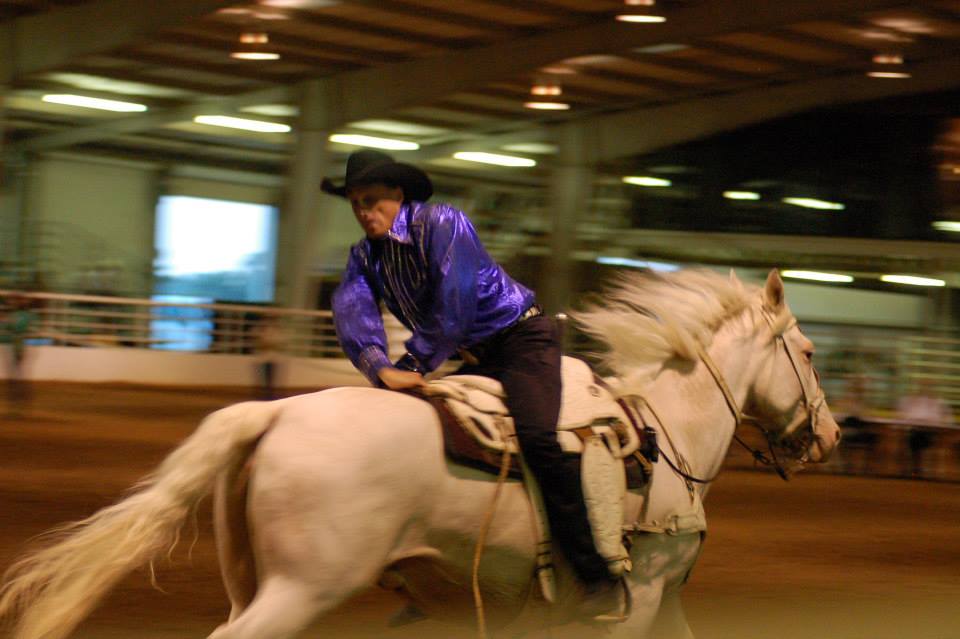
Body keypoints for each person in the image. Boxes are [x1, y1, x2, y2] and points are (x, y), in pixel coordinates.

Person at [324, 150, 620, 616]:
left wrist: (416, 364)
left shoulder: (443, 222)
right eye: (356, 203)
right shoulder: (364, 255)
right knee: (424, 432)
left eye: (372, 200)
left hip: (523, 340)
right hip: (474, 354)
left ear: (398, 195)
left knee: (539, 439)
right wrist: (379, 367)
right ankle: (440, 574)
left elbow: (454, 301)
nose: (364, 212)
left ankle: (593, 573)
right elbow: (352, 309)